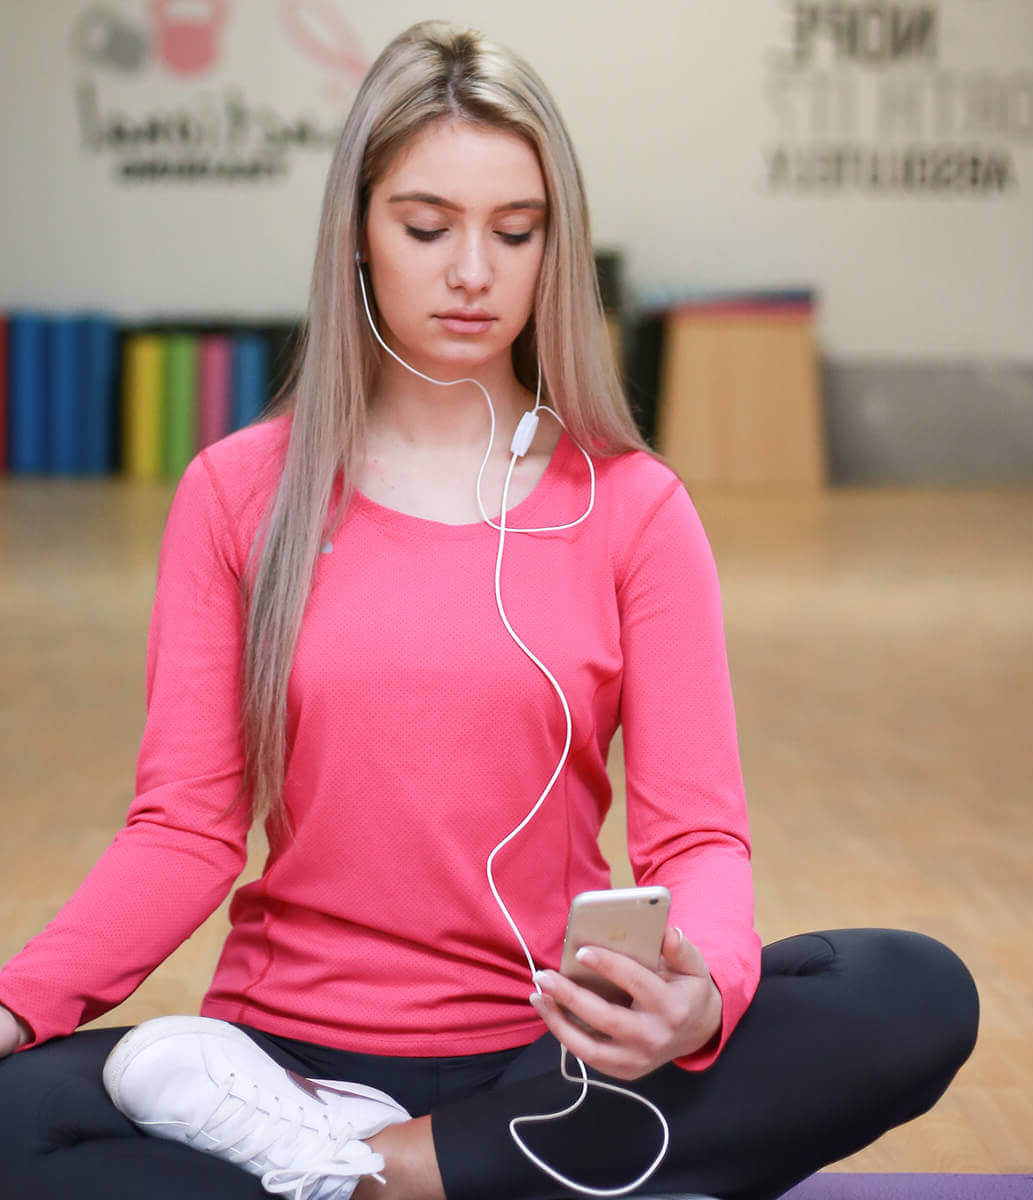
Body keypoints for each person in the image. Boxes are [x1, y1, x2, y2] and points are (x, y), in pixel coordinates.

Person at [0, 19, 978, 1200]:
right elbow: (186, 832)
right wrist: (15, 1003)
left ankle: (384, 1177)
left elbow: (697, 841)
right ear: (357, 234)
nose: (474, 271)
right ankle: (439, 1172)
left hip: (554, 1058)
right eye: (426, 227)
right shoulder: (236, 495)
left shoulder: (634, 509)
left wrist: (698, 994)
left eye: (515, 233)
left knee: (915, 991)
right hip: (285, 1060)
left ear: (553, 249)